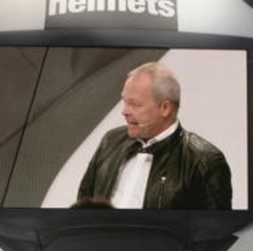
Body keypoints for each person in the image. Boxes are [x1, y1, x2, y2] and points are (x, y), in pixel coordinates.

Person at [76, 62, 232, 209]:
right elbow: (83, 205)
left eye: (134, 104)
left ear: (165, 108)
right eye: (124, 102)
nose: (124, 111)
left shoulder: (204, 161)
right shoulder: (110, 141)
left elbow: (213, 225)